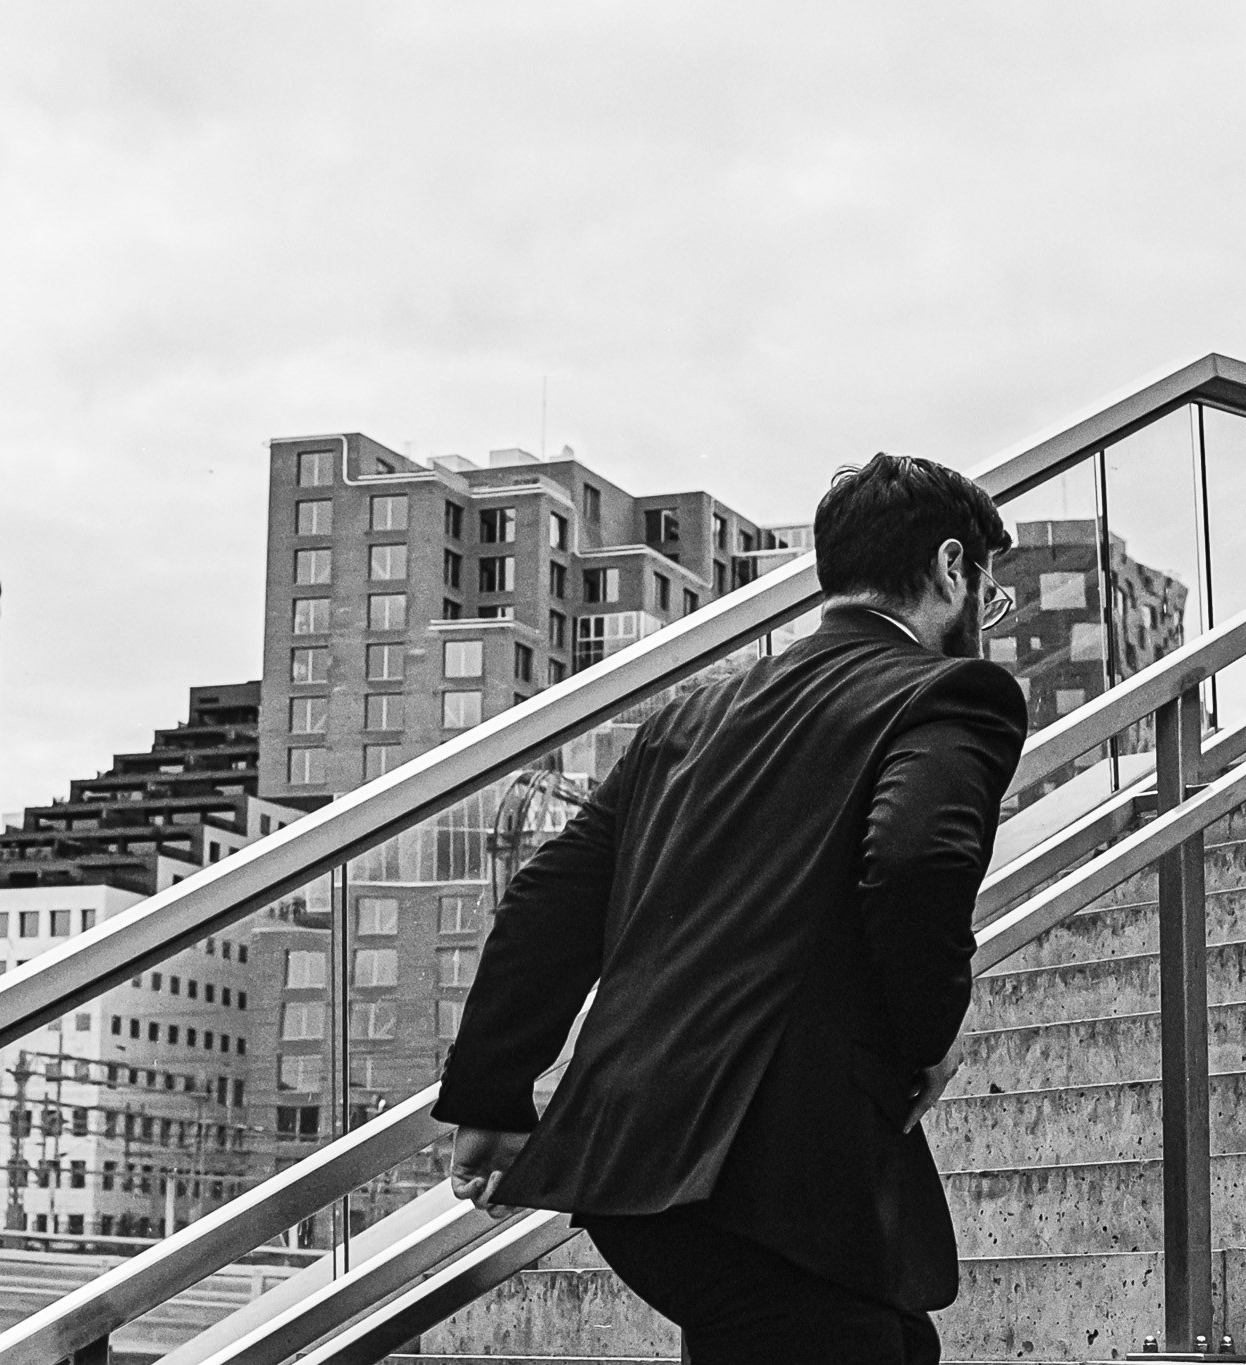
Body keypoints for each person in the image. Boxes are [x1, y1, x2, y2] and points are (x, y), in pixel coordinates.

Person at [431, 454, 1030, 1365]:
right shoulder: (947, 695)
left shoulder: (686, 719)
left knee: (876, 1340)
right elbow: (911, 860)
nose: (985, 625)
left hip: (629, 1156)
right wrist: (928, 1033)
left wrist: (492, 1090)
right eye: (987, 596)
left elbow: (550, 898)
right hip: (773, 1166)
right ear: (954, 567)